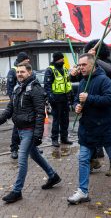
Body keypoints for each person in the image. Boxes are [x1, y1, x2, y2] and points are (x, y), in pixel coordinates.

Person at [67, 53, 111, 204]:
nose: (81, 68)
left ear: (93, 65)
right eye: (79, 65)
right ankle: (83, 191)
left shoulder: (104, 80)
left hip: (104, 127)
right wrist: (77, 106)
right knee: (83, 158)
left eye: (84, 65)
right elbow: (78, 100)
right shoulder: (83, 82)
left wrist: (89, 98)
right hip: (88, 128)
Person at [0, 62, 61, 203]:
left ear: (29, 72)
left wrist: (38, 134)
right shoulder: (17, 88)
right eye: (18, 72)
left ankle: (17, 191)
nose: (19, 74)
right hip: (20, 130)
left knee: (22, 160)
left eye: (22, 72)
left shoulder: (35, 89)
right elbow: (9, 109)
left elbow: (40, 113)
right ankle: (53, 176)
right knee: (35, 156)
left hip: (29, 130)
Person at [83, 39, 111, 176]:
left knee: (109, 138)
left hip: (105, 107)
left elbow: (109, 70)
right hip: (92, 106)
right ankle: (93, 161)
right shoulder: (90, 67)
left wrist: (94, 59)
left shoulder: (108, 64)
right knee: (90, 135)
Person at [44, 52, 73, 147]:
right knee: (56, 120)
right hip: (56, 100)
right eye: (62, 59)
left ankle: (64, 138)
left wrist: (70, 95)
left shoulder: (64, 69)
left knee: (65, 120)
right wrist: (51, 97)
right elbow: (47, 86)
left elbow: (67, 82)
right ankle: (54, 139)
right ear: (57, 59)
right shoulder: (50, 70)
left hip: (65, 98)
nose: (63, 60)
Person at [6, 52, 30, 159]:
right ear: (22, 60)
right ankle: (14, 149)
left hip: (26, 103)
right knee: (17, 127)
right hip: (16, 104)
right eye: (26, 59)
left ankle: (32, 147)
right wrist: (14, 102)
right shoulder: (13, 71)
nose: (28, 61)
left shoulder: (28, 69)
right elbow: (10, 89)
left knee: (29, 127)